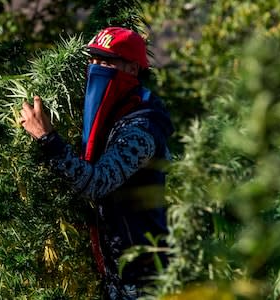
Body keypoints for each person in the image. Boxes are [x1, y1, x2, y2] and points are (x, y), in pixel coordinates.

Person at [20, 27, 174, 299]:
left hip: (145, 281)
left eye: (105, 63)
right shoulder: (115, 115)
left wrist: (48, 138)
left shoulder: (142, 128)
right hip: (118, 276)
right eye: (92, 60)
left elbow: (97, 183)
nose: (95, 68)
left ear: (132, 70)